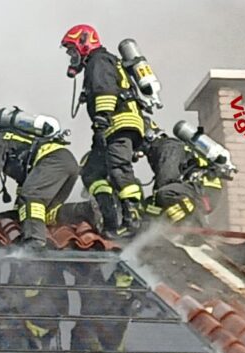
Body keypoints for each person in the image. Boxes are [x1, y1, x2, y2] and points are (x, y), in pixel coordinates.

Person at [61, 24, 146, 238]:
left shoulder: (98, 60)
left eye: (72, 50)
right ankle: (110, 220)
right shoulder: (101, 62)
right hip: (111, 126)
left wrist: (102, 118)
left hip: (118, 122)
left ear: (84, 42)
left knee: (118, 168)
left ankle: (134, 218)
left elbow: (105, 90)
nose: (71, 56)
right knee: (92, 172)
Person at [0, 108, 80, 250]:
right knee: (47, 212)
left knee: (32, 197)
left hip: (52, 160)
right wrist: (17, 213)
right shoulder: (10, 139)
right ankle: (87, 211)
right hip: (67, 163)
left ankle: (35, 241)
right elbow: (26, 183)